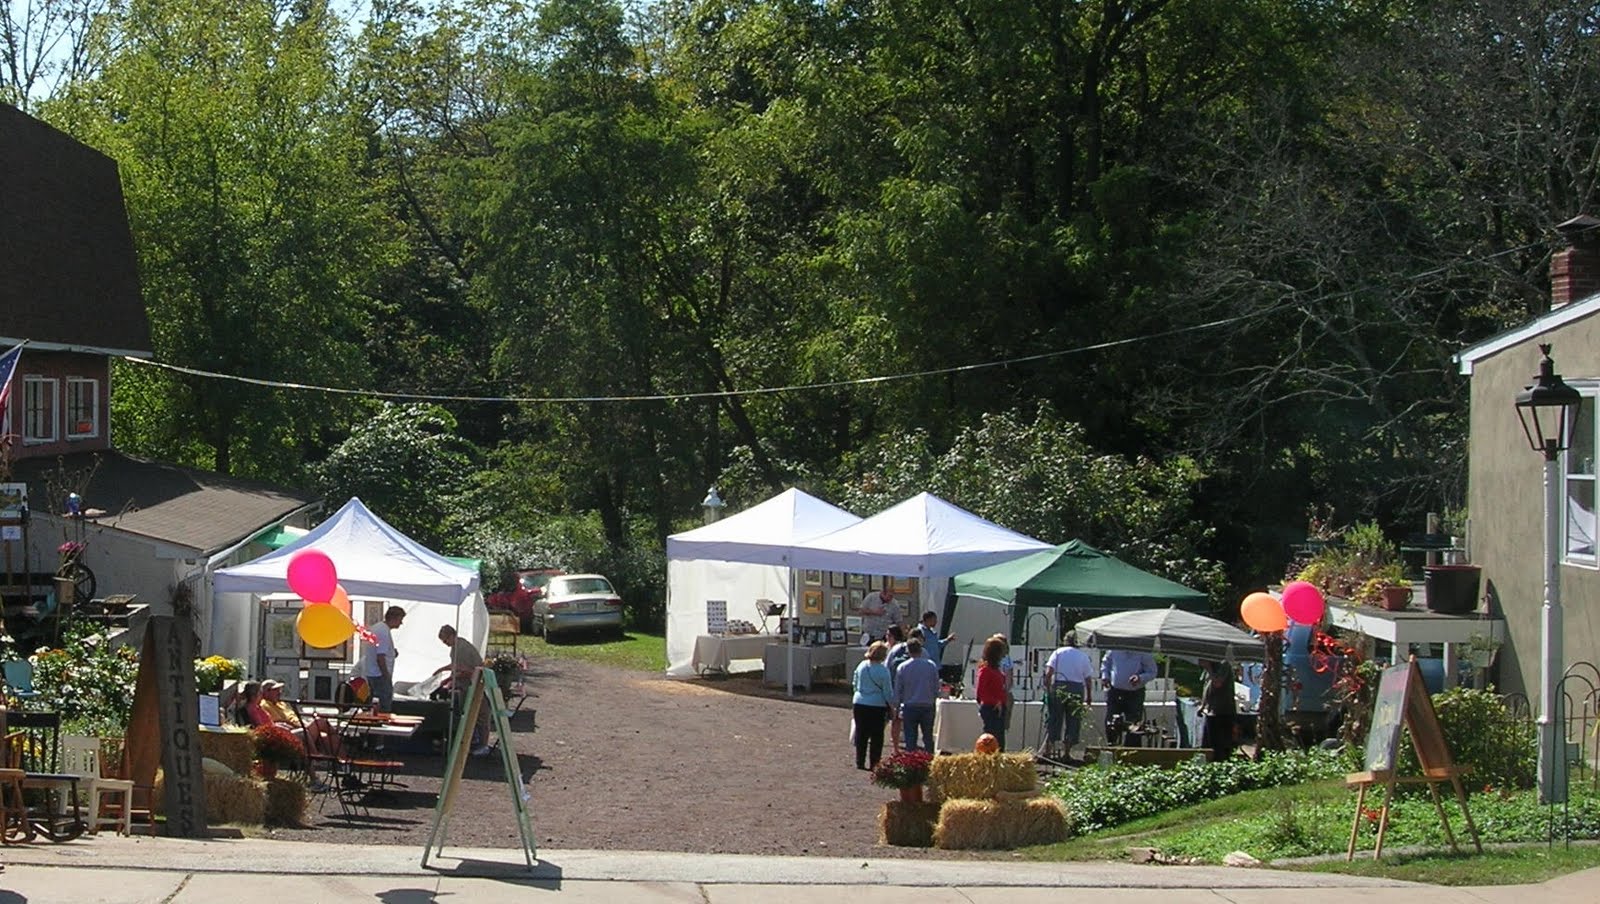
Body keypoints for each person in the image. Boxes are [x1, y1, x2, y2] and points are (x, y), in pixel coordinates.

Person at [434, 625, 492, 756]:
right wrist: (443, 671)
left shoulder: (463, 648)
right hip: (465, 687)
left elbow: (467, 671)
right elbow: (456, 666)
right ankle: (474, 741)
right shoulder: (455, 648)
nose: (445, 644)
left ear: (451, 636)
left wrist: (451, 679)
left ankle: (483, 745)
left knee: (481, 715)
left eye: (445, 640)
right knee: (468, 715)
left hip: (474, 686)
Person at [1041, 632, 1094, 761]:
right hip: (1076, 688)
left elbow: (1049, 672)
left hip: (1059, 685)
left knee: (1054, 719)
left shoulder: (1058, 653)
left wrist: (1048, 688)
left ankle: (1048, 750)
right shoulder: (1083, 656)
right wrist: (1089, 695)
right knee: (1073, 720)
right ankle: (1067, 752)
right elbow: (1088, 678)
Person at [851, 641, 895, 771]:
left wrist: (858, 694)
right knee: (877, 735)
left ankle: (860, 761)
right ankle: (874, 762)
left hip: (859, 702)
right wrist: (891, 706)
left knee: (861, 732)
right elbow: (887, 692)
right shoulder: (883, 671)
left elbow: (855, 683)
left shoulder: (861, 666)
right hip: (877, 704)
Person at [1100, 648, 1158, 744]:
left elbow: (1152, 672)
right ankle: (1111, 746)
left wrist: (1140, 678)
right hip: (1115, 691)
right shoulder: (1114, 649)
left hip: (1134, 694)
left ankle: (1131, 751)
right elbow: (1106, 664)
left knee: (1134, 724)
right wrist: (1105, 677)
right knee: (1111, 721)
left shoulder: (1144, 653)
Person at [893, 638, 940, 753]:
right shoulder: (931, 665)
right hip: (927, 705)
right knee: (928, 737)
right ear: (921, 649)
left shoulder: (902, 667)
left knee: (910, 738)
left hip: (910, 705)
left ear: (908, 651)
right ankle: (929, 761)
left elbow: (898, 689)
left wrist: (896, 707)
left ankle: (911, 763)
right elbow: (936, 687)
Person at [361, 605, 406, 713]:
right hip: (379, 675)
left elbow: (378, 651)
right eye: (400, 620)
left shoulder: (377, 628)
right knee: (383, 706)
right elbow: (380, 657)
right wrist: (386, 676)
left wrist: (391, 652)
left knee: (373, 705)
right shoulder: (384, 632)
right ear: (394, 618)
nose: (401, 623)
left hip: (371, 673)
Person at [1201, 660, 1238, 762]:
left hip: (1222, 712)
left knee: (1219, 748)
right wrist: (1202, 705)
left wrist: (1209, 669)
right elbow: (1207, 687)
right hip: (1210, 711)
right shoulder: (1210, 668)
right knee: (1206, 746)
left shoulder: (1224, 665)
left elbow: (1217, 683)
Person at [976, 636, 1008, 751]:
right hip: (991, 708)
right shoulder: (985, 670)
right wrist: (996, 702)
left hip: (999, 706)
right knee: (990, 739)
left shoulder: (996, 669)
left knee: (1000, 738)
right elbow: (981, 692)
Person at [914, 611, 955, 676]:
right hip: (925, 666)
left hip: (935, 665)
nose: (936, 622)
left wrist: (947, 640)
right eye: (934, 620)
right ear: (928, 619)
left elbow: (937, 645)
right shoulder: (920, 631)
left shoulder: (932, 631)